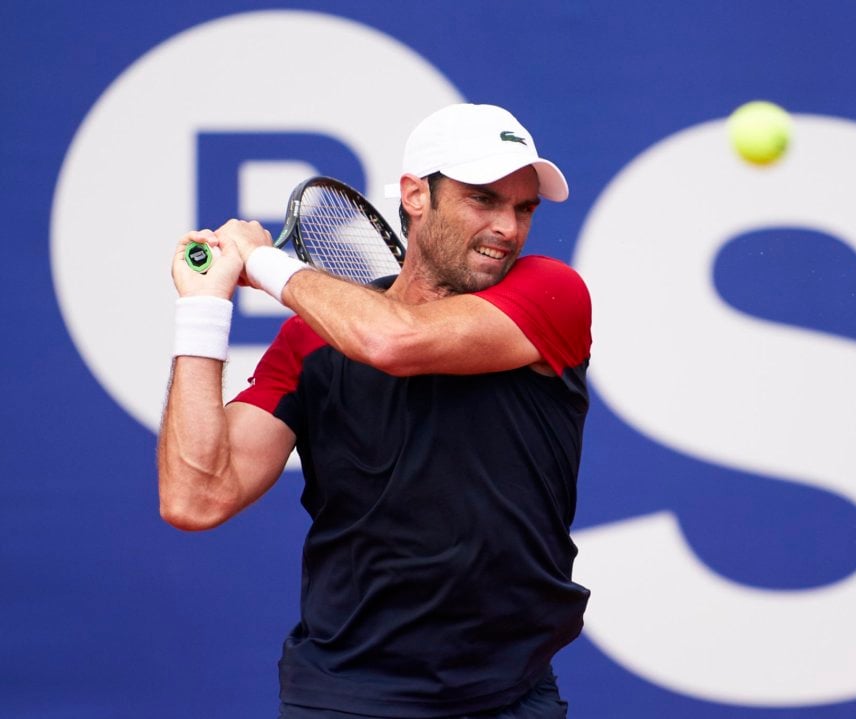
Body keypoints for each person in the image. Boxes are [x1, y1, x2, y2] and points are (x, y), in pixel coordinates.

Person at [158, 103, 592, 719]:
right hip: (347, 695)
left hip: (510, 692)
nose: (508, 227)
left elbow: (392, 341)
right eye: (484, 200)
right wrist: (203, 310)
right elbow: (195, 497)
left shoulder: (551, 293)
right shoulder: (309, 345)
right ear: (416, 196)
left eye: (523, 208)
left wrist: (264, 263)